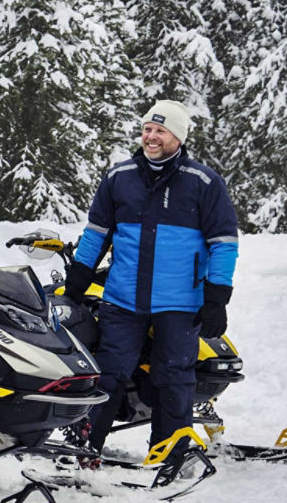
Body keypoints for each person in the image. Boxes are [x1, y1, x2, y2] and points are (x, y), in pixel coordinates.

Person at [62, 100, 239, 463]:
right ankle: (84, 450)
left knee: (174, 380)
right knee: (107, 374)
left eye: (160, 131)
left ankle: (168, 457)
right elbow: (96, 233)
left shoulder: (203, 182)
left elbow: (224, 244)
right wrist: (78, 277)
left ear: (178, 137)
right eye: (147, 129)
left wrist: (216, 297)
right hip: (123, 298)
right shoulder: (119, 177)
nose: (151, 137)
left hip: (180, 303)